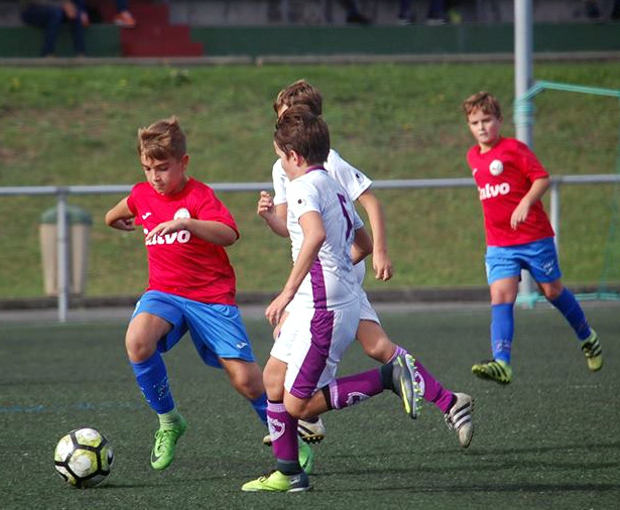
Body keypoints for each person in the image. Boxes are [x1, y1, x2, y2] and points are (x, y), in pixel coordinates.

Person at [259, 79, 475, 449]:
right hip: (319, 273)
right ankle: (449, 400)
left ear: (313, 124)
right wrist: (269, 218)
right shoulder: (284, 166)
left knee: (328, 354)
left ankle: (307, 418)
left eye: (294, 120)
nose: (286, 130)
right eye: (283, 120)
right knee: (375, 347)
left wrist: (378, 252)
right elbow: (292, 227)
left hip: (331, 275)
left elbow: (368, 205)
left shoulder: (328, 163)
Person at [104, 116, 313, 472]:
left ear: (182, 163)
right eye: (147, 168)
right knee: (137, 340)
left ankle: (286, 441)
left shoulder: (199, 195)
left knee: (247, 381)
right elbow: (116, 212)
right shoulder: (143, 194)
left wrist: (187, 223)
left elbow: (229, 233)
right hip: (164, 293)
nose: (155, 177)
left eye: (163, 168)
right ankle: (169, 421)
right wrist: (115, 220)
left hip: (210, 297)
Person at [242, 106, 422, 493]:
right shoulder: (333, 183)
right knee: (273, 380)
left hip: (321, 309)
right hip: (320, 301)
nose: (281, 166)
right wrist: (336, 272)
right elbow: (364, 242)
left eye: (280, 157)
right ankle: (288, 472)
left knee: (299, 406)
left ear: (294, 156)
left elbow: (314, 235)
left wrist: (288, 292)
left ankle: (388, 376)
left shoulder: (304, 186)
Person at [462, 91, 604, 384]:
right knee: (500, 296)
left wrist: (525, 203)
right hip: (499, 243)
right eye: (475, 122)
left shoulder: (514, 149)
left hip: (534, 238)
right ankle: (502, 362)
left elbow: (542, 178)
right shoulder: (472, 156)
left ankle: (587, 336)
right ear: (469, 125)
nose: (482, 127)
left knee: (552, 291)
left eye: (487, 120)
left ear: (500, 121)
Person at [20, 0, 86, 57]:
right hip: (31, 9)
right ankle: (47, 53)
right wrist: (63, 5)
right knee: (55, 14)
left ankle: (80, 54)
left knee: (76, 15)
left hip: (55, 9)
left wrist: (80, 11)